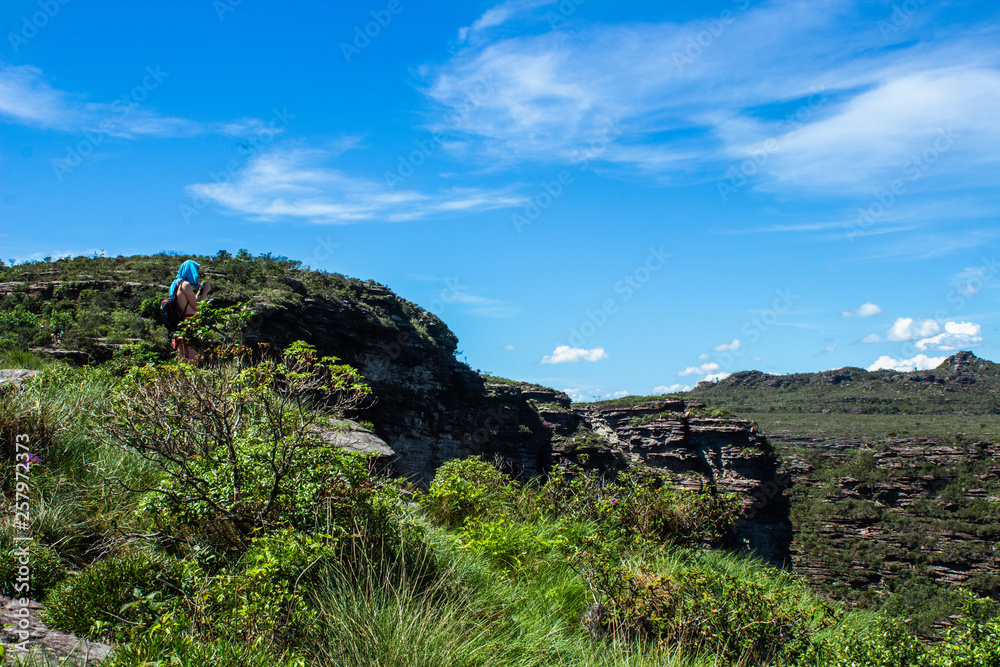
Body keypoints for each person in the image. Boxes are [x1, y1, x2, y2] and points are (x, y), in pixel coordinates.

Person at [168, 260, 212, 361]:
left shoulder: (175, 285)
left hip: (182, 322)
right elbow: (197, 307)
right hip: (191, 322)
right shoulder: (185, 284)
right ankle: (192, 376)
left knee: (182, 357)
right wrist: (205, 292)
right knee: (194, 358)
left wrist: (199, 292)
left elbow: (190, 304)